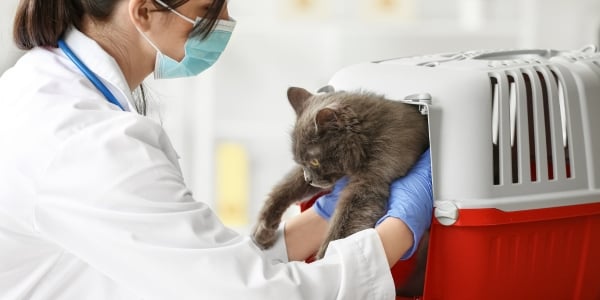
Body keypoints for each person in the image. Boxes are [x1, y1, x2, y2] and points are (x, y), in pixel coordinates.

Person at [0, 0, 433, 299]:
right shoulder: (87, 142)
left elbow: (189, 263)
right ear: (144, 11)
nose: (225, 22)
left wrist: (321, 220)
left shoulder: (41, 85)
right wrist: (400, 228)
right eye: (208, 11)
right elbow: (248, 293)